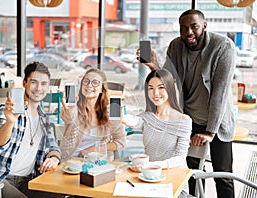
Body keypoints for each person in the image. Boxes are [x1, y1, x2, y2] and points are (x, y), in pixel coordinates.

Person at [142, 9, 236, 197]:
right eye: (183, 28)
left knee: (223, 176)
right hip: (189, 120)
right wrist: (155, 67)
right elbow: (168, 80)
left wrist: (210, 132)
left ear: (204, 26)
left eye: (194, 27)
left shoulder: (224, 46)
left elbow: (220, 92)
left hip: (217, 122)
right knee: (188, 174)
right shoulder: (176, 46)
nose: (188, 33)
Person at [0, 62, 62, 198]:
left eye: (44, 83)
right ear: (24, 83)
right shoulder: (8, 110)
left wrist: (54, 158)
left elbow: (53, 146)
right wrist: (10, 122)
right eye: (34, 82)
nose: (39, 88)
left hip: (26, 180)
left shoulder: (44, 119)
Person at [123, 69, 192, 197]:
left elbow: (180, 158)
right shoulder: (147, 117)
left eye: (161, 87)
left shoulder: (184, 121)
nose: (155, 93)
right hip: (149, 180)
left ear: (170, 89)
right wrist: (120, 115)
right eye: (150, 88)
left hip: (174, 185)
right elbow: (132, 121)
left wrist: (152, 165)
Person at [60, 68, 126, 162]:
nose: (89, 85)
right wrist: (69, 109)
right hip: (71, 162)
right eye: (86, 81)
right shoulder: (74, 106)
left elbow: (120, 142)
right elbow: (68, 118)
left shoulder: (109, 110)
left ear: (102, 89)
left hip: (99, 162)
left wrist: (92, 150)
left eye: (95, 82)